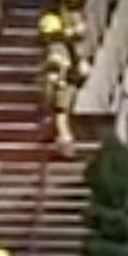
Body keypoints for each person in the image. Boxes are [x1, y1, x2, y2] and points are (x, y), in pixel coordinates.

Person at [39, 12, 79, 151]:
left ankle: (67, 145)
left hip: (63, 87)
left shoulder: (55, 47)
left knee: (60, 117)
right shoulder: (65, 45)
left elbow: (56, 69)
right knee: (61, 116)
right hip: (69, 85)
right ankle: (60, 142)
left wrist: (53, 86)